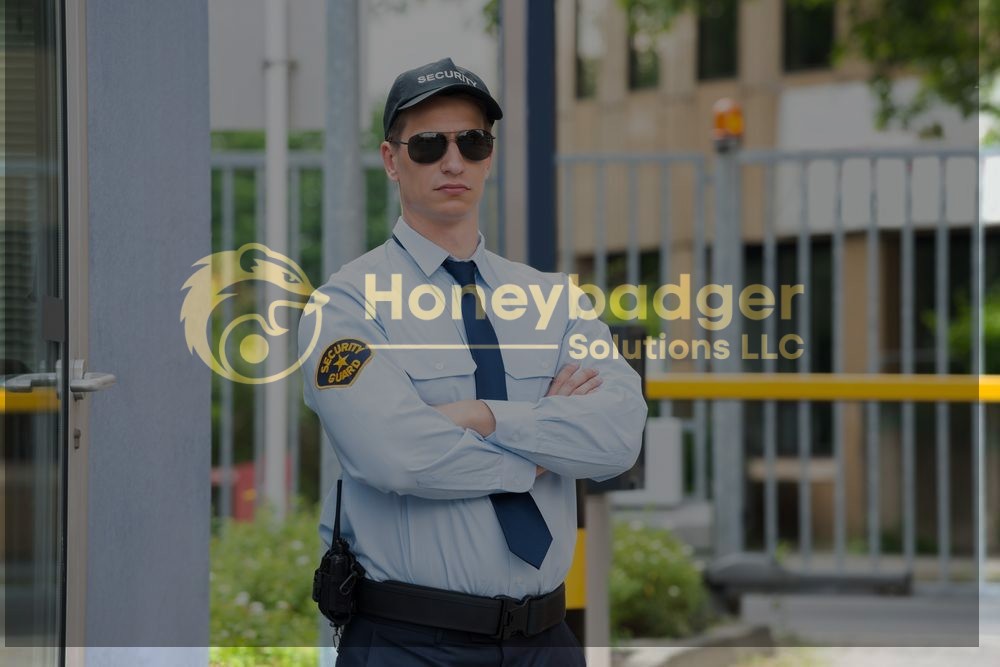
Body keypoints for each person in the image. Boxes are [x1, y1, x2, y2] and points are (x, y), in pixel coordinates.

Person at [299, 57, 647, 666]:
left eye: (472, 141)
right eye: (429, 144)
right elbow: (397, 456)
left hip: (547, 644)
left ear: (489, 155)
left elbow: (618, 438)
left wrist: (486, 418)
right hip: (409, 641)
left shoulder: (555, 300)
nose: (453, 161)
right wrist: (538, 456)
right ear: (390, 159)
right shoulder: (347, 305)